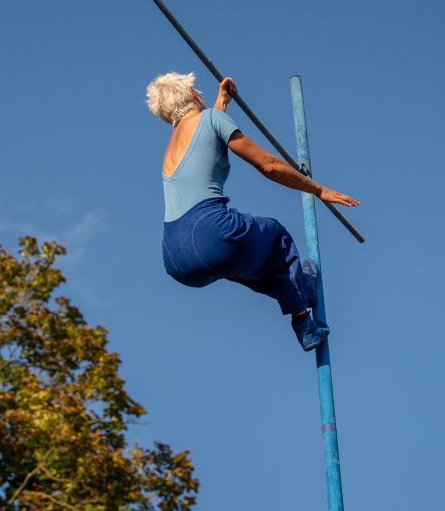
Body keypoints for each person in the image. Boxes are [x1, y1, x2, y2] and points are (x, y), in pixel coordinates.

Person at [147, 72, 359, 351]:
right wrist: (318, 189)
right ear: (194, 95)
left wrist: (222, 101)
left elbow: (209, 138)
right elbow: (268, 165)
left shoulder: (174, 143)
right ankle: (303, 324)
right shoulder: (211, 119)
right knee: (276, 237)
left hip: (175, 255)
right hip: (210, 231)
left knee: (257, 268)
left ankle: (301, 290)